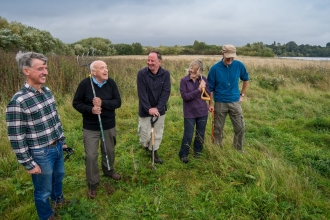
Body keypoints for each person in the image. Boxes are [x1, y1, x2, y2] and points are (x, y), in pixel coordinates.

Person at [6, 51, 69, 220]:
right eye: (40, 68)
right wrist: (28, 163)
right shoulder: (18, 101)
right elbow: (16, 137)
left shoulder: (46, 91)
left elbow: (55, 118)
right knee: (43, 190)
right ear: (26, 71)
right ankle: (46, 215)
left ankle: (58, 201)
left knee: (58, 178)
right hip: (41, 153)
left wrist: (61, 141)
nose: (46, 72)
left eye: (46, 68)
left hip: (56, 146)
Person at [72, 60, 121, 199]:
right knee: (91, 155)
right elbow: (76, 103)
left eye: (106, 67)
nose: (106, 70)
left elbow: (118, 102)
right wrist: (91, 109)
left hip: (108, 124)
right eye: (102, 68)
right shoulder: (85, 84)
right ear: (93, 72)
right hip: (91, 126)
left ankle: (109, 170)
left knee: (109, 151)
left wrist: (103, 103)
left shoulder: (111, 83)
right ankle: (92, 183)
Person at [207, 44, 249, 151]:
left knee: (240, 127)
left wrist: (242, 95)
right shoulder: (214, 69)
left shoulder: (239, 65)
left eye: (232, 57)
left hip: (235, 102)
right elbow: (209, 88)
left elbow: (246, 79)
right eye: (228, 57)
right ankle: (217, 148)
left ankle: (238, 149)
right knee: (218, 128)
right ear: (222, 54)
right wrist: (210, 104)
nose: (230, 59)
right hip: (220, 102)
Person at [137, 51, 171, 164]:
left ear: (159, 62)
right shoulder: (142, 74)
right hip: (145, 110)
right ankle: (146, 145)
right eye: (148, 60)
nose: (149, 63)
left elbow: (166, 92)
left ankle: (154, 152)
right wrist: (149, 108)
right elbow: (142, 93)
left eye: (152, 60)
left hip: (159, 110)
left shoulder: (165, 74)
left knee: (157, 133)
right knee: (144, 135)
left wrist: (158, 107)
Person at [178, 60, 211, 163]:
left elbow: (208, 95)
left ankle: (198, 152)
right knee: (188, 134)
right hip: (189, 112)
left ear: (199, 71)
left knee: (200, 134)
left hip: (202, 112)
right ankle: (183, 154)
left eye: (194, 69)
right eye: (191, 68)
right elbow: (185, 96)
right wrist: (198, 89)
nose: (191, 70)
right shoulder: (184, 80)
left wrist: (204, 87)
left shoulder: (203, 79)